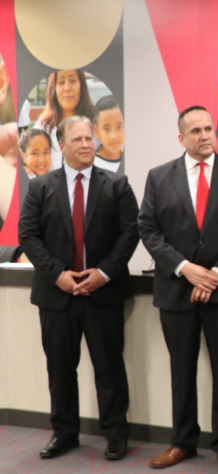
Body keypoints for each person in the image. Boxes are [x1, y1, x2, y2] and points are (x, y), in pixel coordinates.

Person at [138, 105, 218, 471]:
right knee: (181, 371)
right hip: (177, 290)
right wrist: (187, 269)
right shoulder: (159, 177)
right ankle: (183, 442)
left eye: (209, 129)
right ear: (181, 138)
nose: (205, 135)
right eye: (196, 131)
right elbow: (149, 230)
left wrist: (216, 273)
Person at [17, 115, 140, 461]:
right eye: (79, 140)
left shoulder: (117, 184)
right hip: (57, 296)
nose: (87, 145)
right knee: (59, 368)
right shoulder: (41, 187)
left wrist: (104, 272)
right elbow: (27, 235)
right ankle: (65, 433)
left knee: (109, 368)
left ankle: (115, 434)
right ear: (62, 145)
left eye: (90, 138)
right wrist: (59, 275)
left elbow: (131, 233)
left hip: (103, 294)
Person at [34, 69, 94, 170]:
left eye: (72, 80)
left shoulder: (96, 121)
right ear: (54, 89)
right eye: (61, 82)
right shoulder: (44, 126)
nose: (67, 88)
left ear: (81, 85)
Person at [92, 95, 124, 173]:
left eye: (119, 127)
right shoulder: (91, 166)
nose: (114, 136)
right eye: (107, 129)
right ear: (97, 131)